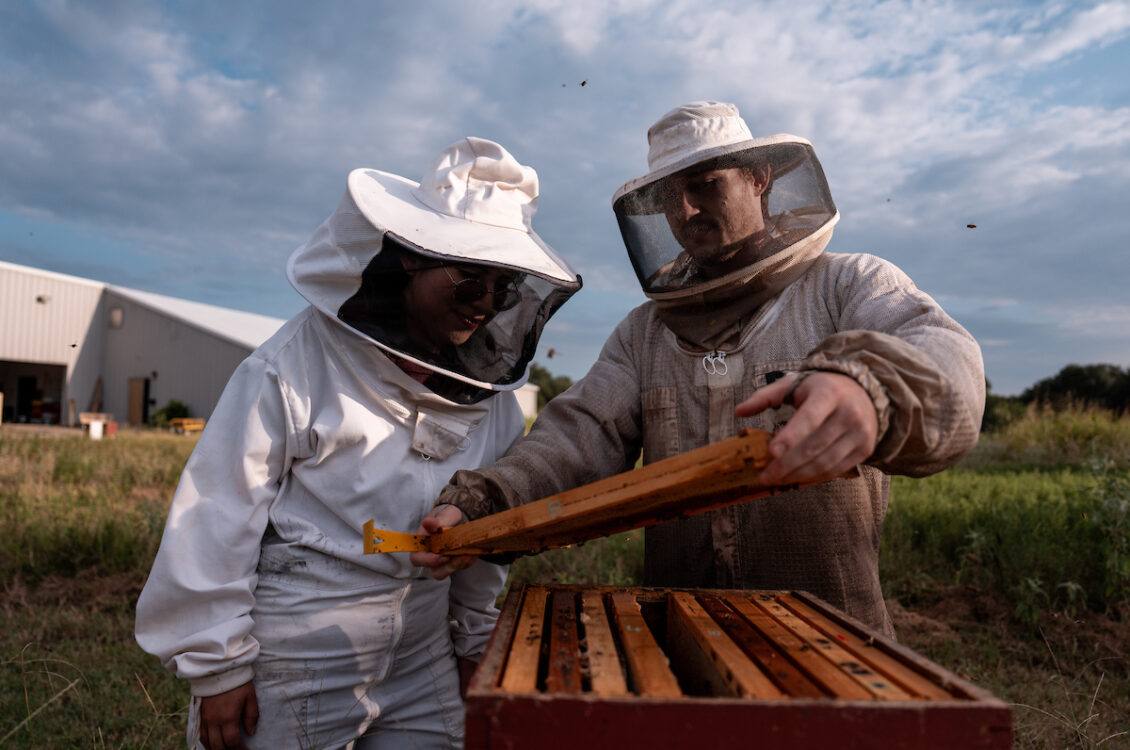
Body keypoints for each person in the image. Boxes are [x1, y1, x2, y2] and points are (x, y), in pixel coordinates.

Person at [414, 101, 985, 637]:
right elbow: (576, 439)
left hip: (830, 636)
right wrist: (482, 504)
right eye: (670, 197)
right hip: (680, 638)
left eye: (705, 186)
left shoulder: (848, 285)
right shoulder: (645, 332)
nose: (685, 211)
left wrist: (870, 387)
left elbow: (943, 354)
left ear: (758, 177)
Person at [134, 137, 581, 750]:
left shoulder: (492, 396)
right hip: (302, 642)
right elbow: (217, 511)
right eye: (469, 282)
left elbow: (485, 530)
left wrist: (473, 641)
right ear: (408, 261)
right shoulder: (291, 366)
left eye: (503, 289)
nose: (485, 306)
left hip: (424, 646)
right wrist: (219, 667)